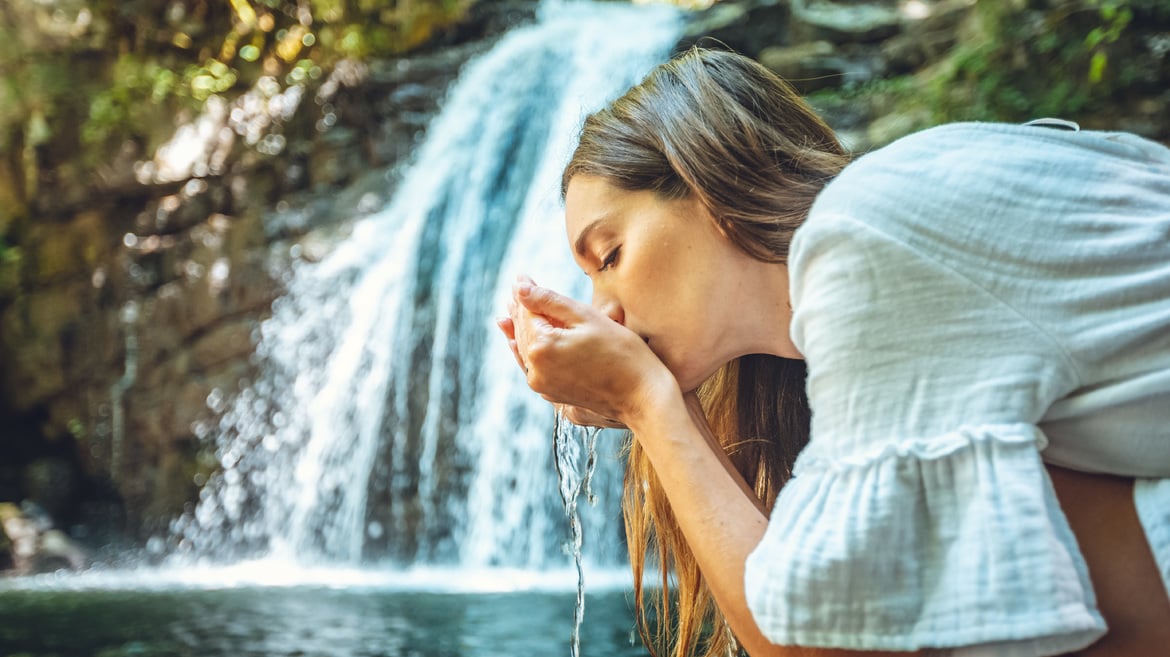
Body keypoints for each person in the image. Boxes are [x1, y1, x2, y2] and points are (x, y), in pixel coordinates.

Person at [496, 47, 1170, 657]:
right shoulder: (871, 277)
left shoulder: (865, 232)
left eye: (609, 254)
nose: (603, 309)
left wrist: (646, 400)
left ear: (709, 190)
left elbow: (814, 648)